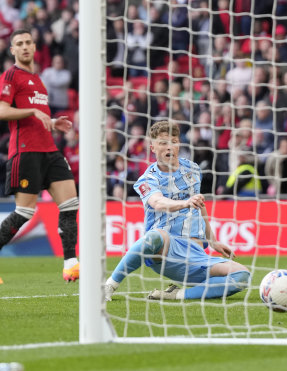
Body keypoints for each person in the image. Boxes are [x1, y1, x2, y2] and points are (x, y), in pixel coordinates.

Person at [104, 121, 250, 302]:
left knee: (243, 275)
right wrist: (185, 203)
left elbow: (198, 203)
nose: (169, 147)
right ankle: (110, 284)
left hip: (197, 255)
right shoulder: (147, 179)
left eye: (174, 141)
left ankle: (177, 295)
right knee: (155, 236)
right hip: (168, 250)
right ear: (153, 148)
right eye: (163, 143)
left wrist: (212, 240)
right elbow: (157, 202)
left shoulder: (193, 169)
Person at [0, 29, 79, 284]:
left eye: (28, 42)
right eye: (19, 44)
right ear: (13, 50)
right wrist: (34, 113)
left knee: (70, 205)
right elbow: (2, 111)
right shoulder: (10, 75)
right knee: (24, 212)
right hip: (25, 151)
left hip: (50, 150)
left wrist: (52, 120)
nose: (24, 47)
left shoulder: (37, 79)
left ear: (35, 47)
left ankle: (71, 263)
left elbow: (38, 112)